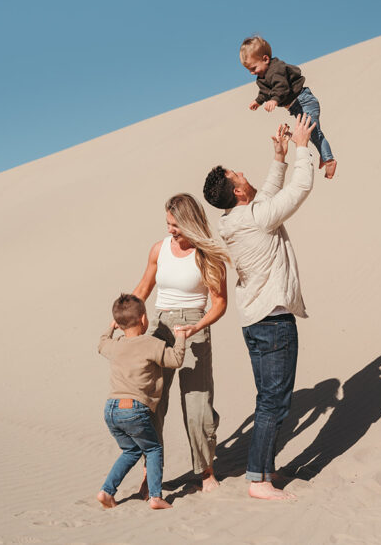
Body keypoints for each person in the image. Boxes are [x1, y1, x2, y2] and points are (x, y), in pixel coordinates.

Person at [201, 114, 316, 500]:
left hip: (256, 321)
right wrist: (302, 146)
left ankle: (263, 469)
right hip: (272, 321)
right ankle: (258, 480)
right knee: (274, 401)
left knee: (269, 399)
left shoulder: (237, 219)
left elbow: (264, 198)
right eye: (237, 175)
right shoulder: (254, 219)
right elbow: (299, 190)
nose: (242, 174)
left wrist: (279, 156)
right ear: (235, 191)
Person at [132, 193, 229, 492]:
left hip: (195, 328)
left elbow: (219, 303)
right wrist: (125, 316)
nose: (171, 230)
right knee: (154, 403)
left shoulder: (207, 255)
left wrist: (198, 325)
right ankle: (152, 474)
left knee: (198, 404)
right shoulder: (159, 249)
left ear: (190, 222)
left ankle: (205, 471)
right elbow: (144, 288)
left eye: (175, 224)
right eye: (168, 224)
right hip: (161, 328)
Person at [97, 293, 186, 510]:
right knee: (154, 449)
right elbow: (175, 360)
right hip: (134, 409)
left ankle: (107, 491)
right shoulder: (151, 344)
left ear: (118, 323)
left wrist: (111, 328)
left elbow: (101, 345)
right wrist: (181, 336)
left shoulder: (115, 345)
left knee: (131, 451)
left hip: (111, 410)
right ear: (144, 319)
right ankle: (155, 496)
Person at [240, 35, 337, 179]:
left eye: (254, 68)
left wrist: (274, 100)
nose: (252, 73)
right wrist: (258, 101)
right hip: (296, 107)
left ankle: (329, 159)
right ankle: (324, 155)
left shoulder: (277, 69)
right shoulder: (262, 78)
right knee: (309, 134)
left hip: (305, 101)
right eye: (249, 70)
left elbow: (282, 86)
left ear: (265, 59)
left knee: (313, 132)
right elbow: (265, 92)